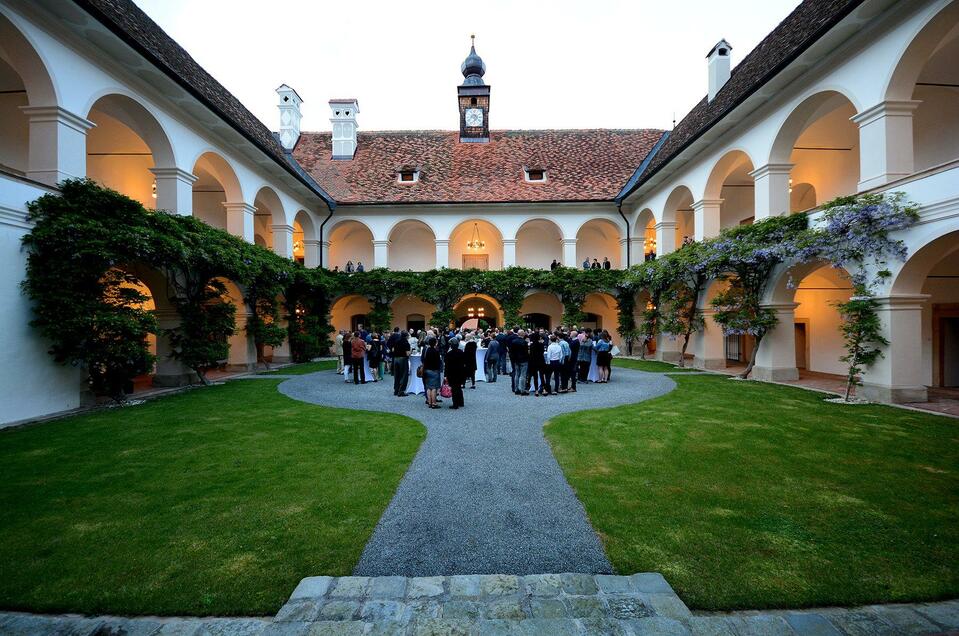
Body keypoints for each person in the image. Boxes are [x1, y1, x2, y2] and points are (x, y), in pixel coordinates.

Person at [444, 336, 466, 409]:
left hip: (452, 373)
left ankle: (455, 404)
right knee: (458, 387)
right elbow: (464, 362)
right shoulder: (461, 352)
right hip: (460, 372)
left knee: (454, 388)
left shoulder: (449, 354)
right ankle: (461, 402)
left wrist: (445, 375)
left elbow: (446, 366)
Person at [422, 337, 442, 409]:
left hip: (427, 370)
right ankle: (434, 403)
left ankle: (429, 402)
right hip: (434, 370)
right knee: (434, 388)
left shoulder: (427, 350)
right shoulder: (436, 351)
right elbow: (438, 362)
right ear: (435, 343)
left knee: (428, 387)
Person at [509, 330, 530, 396]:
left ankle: (516, 389)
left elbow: (511, 351)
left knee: (517, 375)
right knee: (523, 375)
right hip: (523, 360)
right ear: (523, 334)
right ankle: (522, 390)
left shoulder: (513, 342)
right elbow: (526, 352)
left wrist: (513, 359)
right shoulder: (524, 342)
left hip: (516, 360)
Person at [392, 330, 411, 397]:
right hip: (402, 359)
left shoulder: (397, 341)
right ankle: (401, 391)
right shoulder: (406, 343)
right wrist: (411, 352)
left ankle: (396, 390)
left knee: (397, 375)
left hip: (395, 358)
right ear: (406, 336)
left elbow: (393, 350)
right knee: (404, 375)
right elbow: (407, 353)